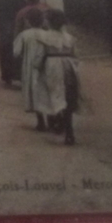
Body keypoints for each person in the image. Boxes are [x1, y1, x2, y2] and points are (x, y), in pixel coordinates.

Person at [35, 9, 80, 145]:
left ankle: (56, 119)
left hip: (52, 66)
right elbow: (75, 56)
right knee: (67, 96)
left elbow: (39, 57)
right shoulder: (69, 38)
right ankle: (69, 131)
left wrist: (37, 66)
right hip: (68, 66)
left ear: (48, 22)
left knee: (53, 93)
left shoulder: (44, 37)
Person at [14, 9, 48, 130]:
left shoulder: (25, 35)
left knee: (34, 91)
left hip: (30, 66)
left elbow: (16, 52)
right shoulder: (47, 34)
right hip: (45, 66)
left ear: (28, 21)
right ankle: (52, 120)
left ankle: (41, 121)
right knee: (46, 91)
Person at [0, 0, 24, 86]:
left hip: (4, 30)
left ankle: (6, 77)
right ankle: (16, 75)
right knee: (15, 52)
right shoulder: (19, 1)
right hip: (15, 30)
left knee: (4, 53)